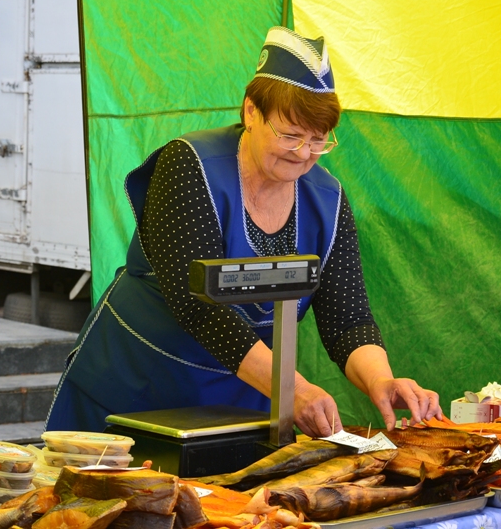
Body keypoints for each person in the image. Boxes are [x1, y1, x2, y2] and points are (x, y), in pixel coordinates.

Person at [45, 27, 442, 438]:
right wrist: (292, 390)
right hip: (134, 387)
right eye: (290, 135)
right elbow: (200, 308)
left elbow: (347, 318)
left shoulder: (328, 201)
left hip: (243, 400)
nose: (304, 154)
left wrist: (380, 380)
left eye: (318, 140)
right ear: (251, 111)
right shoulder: (189, 167)